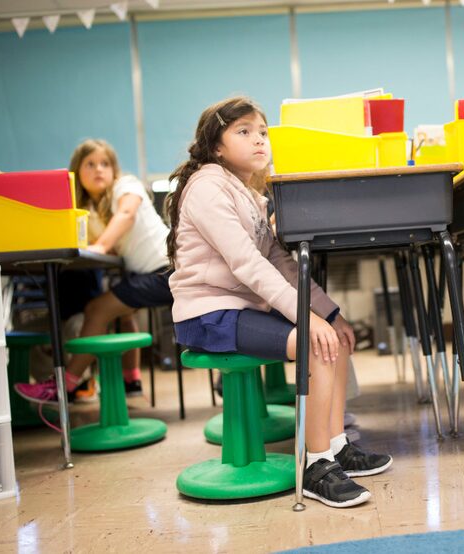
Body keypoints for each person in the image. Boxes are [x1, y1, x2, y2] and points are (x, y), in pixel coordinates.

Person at [166, 96, 391, 508]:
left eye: (263, 133)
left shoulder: (251, 196)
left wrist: (329, 313)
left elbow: (281, 263)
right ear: (216, 146)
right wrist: (307, 321)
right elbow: (247, 264)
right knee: (315, 344)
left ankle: (336, 445)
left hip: (239, 310)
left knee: (335, 337)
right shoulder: (207, 186)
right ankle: (315, 466)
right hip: (207, 314)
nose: (259, 141)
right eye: (244, 132)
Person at [16, 139, 173, 403]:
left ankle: (63, 386)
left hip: (168, 271)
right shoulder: (93, 209)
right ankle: (130, 379)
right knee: (120, 309)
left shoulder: (127, 185)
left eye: (105, 164)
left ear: (114, 170)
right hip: (150, 273)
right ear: (77, 172)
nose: (99, 169)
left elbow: (127, 215)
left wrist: (100, 245)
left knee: (97, 309)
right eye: (90, 164)